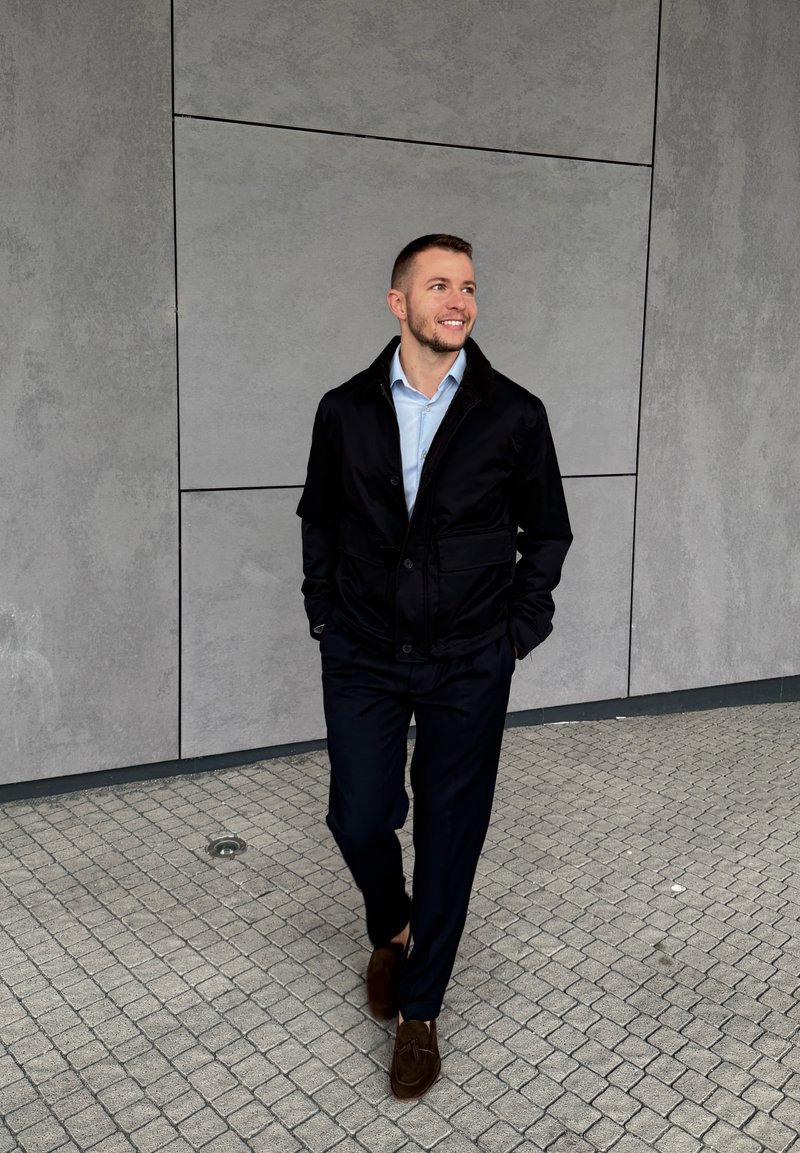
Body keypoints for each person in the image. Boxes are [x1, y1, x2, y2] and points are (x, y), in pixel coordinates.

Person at [297, 234, 572, 1099]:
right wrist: (324, 612)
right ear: (398, 302)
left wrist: (516, 633)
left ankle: (420, 1011)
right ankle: (393, 921)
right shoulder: (344, 409)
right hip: (365, 652)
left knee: (453, 834)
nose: (460, 301)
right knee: (359, 812)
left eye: (470, 287)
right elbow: (320, 516)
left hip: (468, 659)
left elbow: (548, 532)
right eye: (441, 285)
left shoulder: (513, 413)